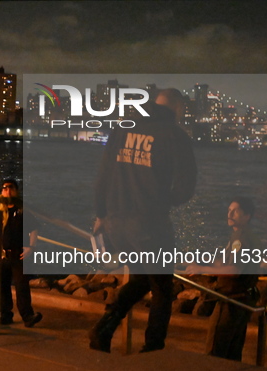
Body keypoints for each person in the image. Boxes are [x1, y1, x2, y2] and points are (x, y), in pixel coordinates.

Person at [89, 88, 197, 353]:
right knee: (162, 288)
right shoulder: (175, 136)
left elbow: (103, 174)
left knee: (140, 279)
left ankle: (103, 329)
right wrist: (163, 200)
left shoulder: (123, 127)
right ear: (178, 108)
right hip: (149, 223)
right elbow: (186, 188)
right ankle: (152, 347)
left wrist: (101, 213)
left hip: (115, 222)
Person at [185, 196, 261, 361]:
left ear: (247, 216)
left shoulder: (240, 239)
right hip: (243, 300)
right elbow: (227, 263)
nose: (230, 214)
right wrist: (203, 263)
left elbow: (234, 269)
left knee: (215, 352)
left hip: (231, 300)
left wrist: (202, 269)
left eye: (236, 211)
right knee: (232, 354)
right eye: (229, 210)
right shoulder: (246, 236)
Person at [0, 179, 42, 327]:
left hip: (18, 254)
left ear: (16, 190)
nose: (8, 191)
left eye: (11, 188)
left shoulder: (22, 210)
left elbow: (34, 228)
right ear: (1, 191)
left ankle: (27, 316)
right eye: (4, 188)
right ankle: (5, 314)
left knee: (22, 286)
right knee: (2, 286)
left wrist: (31, 247)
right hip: (1, 255)